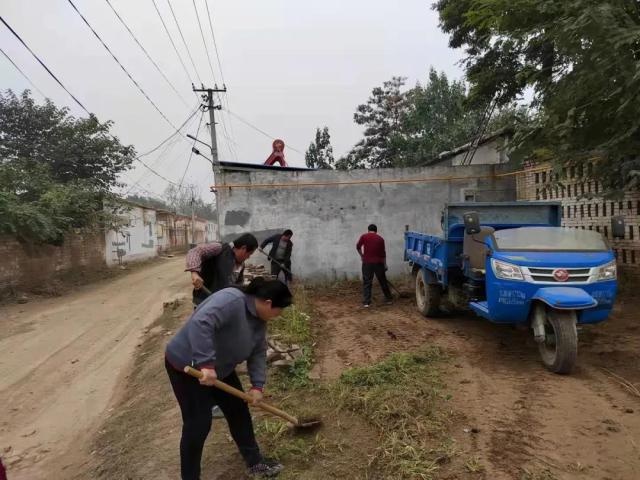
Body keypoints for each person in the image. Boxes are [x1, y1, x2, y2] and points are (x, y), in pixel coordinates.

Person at [165, 278, 293, 479]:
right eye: (280, 309)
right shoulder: (231, 301)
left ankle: (255, 463)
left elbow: (258, 352)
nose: (279, 314)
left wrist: (257, 387)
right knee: (198, 423)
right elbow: (201, 322)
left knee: (238, 411)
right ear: (268, 302)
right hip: (187, 367)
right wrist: (206, 364)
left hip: (219, 368)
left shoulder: (259, 321)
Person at [185, 233, 259, 307]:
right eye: (249, 254)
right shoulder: (219, 248)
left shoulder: (241, 265)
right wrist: (194, 273)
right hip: (203, 301)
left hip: (221, 305)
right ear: (243, 248)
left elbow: (238, 284)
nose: (248, 257)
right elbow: (195, 252)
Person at [356, 224, 393, 307]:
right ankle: (389, 299)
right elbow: (383, 253)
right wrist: (385, 264)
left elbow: (358, 247)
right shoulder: (380, 239)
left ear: (368, 230)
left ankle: (366, 302)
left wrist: (362, 256)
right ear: (376, 231)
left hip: (367, 263)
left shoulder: (364, 236)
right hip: (378, 263)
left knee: (367, 282)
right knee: (383, 281)